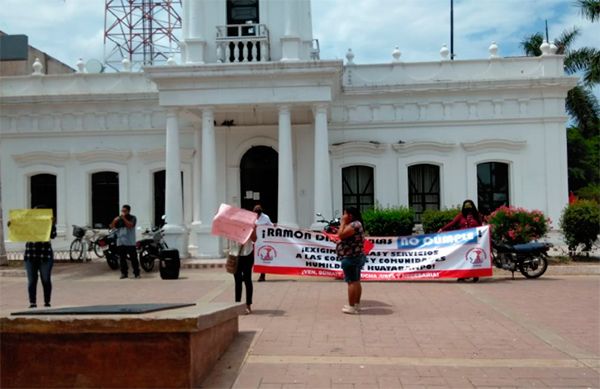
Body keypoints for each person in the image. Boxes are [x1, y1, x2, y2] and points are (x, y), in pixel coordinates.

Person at [19, 206, 57, 308]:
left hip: (45, 255)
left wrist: (51, 224)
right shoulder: (28, 224)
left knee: (46, 279)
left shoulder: (47, 223)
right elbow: (19, 231)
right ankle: (32, 302)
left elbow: (53, 235)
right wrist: (13, 225)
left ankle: (47, 302)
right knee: (32, 280)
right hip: (31, 255)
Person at [439, 199, 483, 282]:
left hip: (474, 241)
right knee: (463, 258)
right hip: (463, 242)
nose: (468, 209)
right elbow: (452, 223)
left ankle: (475, 274)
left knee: (473, 258)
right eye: (466, 207)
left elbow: (481, 227)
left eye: (469, 207)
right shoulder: (461, 216)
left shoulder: (477, 216)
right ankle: (462, 276)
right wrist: (442, 229)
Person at [336, 207, 366, 315]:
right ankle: (356, 304)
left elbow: (341, 234)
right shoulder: (357, 224)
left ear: (350, 216)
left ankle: (351, 306)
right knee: (356, 281)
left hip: (351, 257)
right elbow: (344, 236)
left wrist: (342, 222)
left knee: (351, 283)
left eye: (344, 214)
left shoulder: (354, 225)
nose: (343, 216)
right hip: (356, 256)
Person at [110, 204, 140, 279]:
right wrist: (115, 220)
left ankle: (136, 273)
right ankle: (124, 273)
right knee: (122, 259)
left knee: (133, 259)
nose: (123, 212)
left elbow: (130, 225)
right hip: (120, 242)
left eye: (125, 211)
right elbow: (112, 226)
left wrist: (123, 218)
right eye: (122, 211)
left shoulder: (133, 218)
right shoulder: (119, 219)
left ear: (129, 211)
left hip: (130, 242)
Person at [254, 204, 273, 282]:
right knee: (251, 260)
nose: (257, 215)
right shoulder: (251, 217)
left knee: (262, 259)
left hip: (262, 241)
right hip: (253, 240)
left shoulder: (265, 217)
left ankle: (262, 276)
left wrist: (274, 226)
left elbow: (271, 226)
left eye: (258, 213)